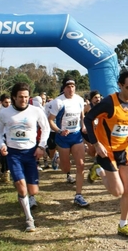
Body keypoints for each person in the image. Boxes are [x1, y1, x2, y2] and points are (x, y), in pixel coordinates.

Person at [84, 71, 128, 239]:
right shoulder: (109, 103)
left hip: (124, 149)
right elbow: (88, 119)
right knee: (117, 191)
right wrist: (96, 144)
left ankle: (123, 224)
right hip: (106, 151)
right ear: (120, 85)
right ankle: (99, 171)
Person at [0, 83, 50, 232]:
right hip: (13, 153)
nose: (23, 100)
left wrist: (41, 146)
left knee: (34, 190)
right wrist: (1, 144)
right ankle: (29, 219)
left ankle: (29, 196)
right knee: (21, 185)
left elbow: (46, 128)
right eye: (20, 97)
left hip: (31, 153)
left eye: (26, 97)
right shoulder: (5, 112)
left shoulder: (36, 111)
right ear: (14, 97)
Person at [48, 77, 89, 207]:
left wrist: (83, 126)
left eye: (73, 86)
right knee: (66, 168)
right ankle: (57, 158)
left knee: (81, 165)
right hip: (63, 137)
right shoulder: (58, 102)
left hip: (76, 136)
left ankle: (78, 195)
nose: (71, 88)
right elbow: (50, 120)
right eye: (68, 86)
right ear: (64, 88)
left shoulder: (79, 99)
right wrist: (60, 131)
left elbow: (82, 116)